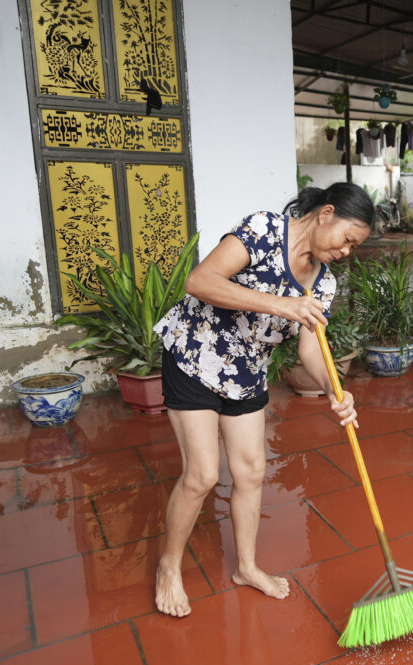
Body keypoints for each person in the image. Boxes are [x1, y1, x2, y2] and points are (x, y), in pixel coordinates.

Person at [152, 182, 374, 617]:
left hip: (247, 371)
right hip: (196, 354)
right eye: (347, 239)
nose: (347, 251)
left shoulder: (322, 283)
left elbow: (311, 348)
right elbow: (199, 281)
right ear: (326, 213)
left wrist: (335, 390)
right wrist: (280, 305)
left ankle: (247, 567)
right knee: (200, 475)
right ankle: (168, 566)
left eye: (355, 247)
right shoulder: (262, 230)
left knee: (251, 472)